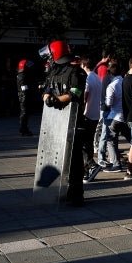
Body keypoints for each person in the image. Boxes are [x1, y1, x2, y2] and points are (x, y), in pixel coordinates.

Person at [40, 39, 88, 205]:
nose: (48, 58)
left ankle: (76, 194)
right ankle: (56, 189)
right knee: (56, 156)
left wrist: (57, 100)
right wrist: (47, 97)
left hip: (74, 120)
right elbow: (47, 89)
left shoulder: (76, 72)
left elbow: (75, 93)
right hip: (55, 121)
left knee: (74, 159)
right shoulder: (53, 71)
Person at [80, 56, 102, 181]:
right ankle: (86, 172)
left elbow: (85, 97)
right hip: (95, 114)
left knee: (83, 143)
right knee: (88, 142)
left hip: (87, 114)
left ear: (83, 65)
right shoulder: (97, 77)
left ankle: (91, 165)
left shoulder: (88, 78)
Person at [101, 61, 125, 172]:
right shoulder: (124, 82)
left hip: (115, 116)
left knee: (110, 140)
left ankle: (116, 164)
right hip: (125, 115)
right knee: (131, 139)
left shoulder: (111, 86)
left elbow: (108, 104)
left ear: (110, 74)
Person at [16, 59, 35, 136]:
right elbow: (23, 88)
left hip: (24, 95)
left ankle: (24, 128)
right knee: (24, 112)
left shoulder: (23, 74)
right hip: (24, 96)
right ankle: (23, 129)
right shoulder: (22, 75)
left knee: (26, 113)